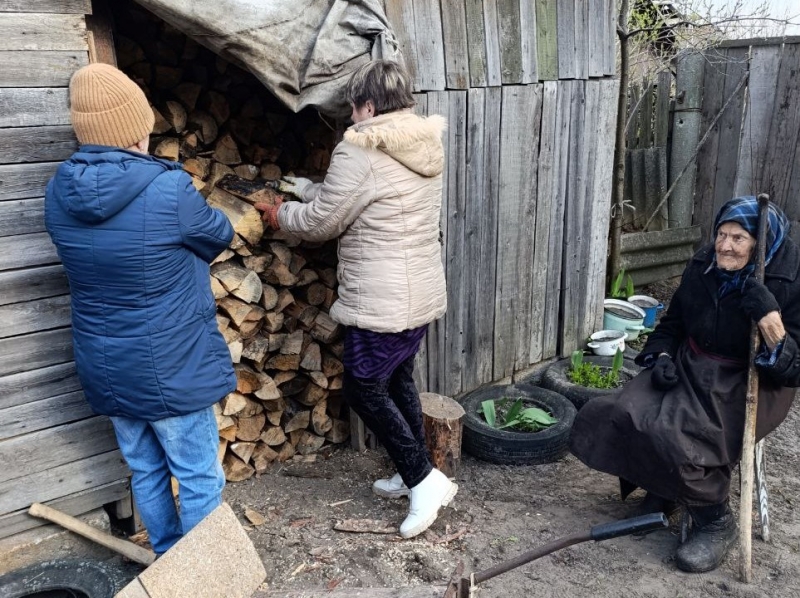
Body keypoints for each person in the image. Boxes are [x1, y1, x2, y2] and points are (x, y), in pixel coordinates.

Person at [255, 59, 455, 539]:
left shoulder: (361, 147)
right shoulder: (421, 143)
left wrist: (282, 214)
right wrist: (306, 188)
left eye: (353, 107)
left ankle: (423, 481)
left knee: (364, 388)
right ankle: (417, 473)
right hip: (417, 291)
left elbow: (324, 221)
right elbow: (357, 195)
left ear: (367, 105)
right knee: (397, 378)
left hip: (382, 299)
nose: (350, 117)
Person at [45, 63, 236, 555]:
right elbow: (218, 234)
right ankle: (203, 577)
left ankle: (169, 559)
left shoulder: (58, 192)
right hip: (172, 364)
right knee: (197, 474)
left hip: (105, 365)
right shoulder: (167, 189)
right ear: (137, 129)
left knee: (147, 470)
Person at [570, 196, 800, 573]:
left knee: (689, 441)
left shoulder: (791, 279)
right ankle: (664, 490)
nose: (724, 246)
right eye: (721, 234)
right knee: (623, 411)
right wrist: (661, 356)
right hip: (692, 363)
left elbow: (794, 370)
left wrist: (770, 320)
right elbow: (673, 322)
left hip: (753, 380)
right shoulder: (703, 264)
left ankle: (716, 520)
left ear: (762, 243)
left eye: (738, 238)